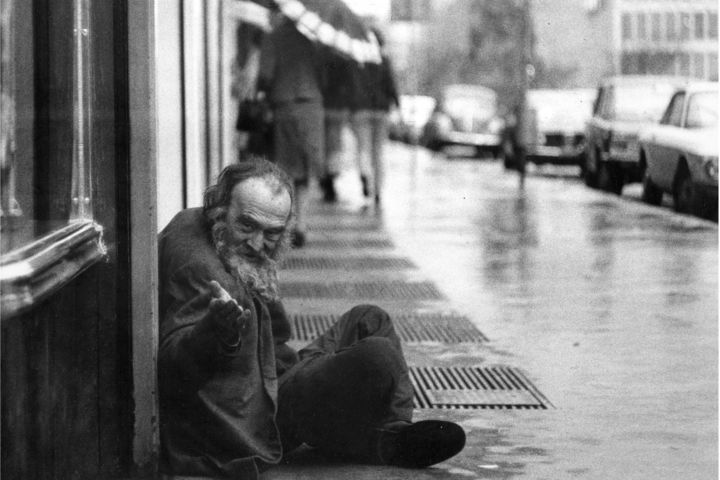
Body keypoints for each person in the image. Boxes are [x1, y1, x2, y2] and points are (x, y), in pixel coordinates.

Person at [158, 158, 466, 479]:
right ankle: (386, 439)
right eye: (246, 225)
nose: (256, 243)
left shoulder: (201, 224)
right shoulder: (204, 274)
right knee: (378, 356)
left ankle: (393, 430)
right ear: (219, 209)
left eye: (272, 233)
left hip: (272, 374)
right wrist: (215, 332)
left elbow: (276, 334)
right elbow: (171, 366)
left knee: (370, 318)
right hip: (260, 415)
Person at [258, 12, 324, 247]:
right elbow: (325, 74)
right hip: (312, 107)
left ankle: (284, 223)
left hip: (284, 106)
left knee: (284, 168)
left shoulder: (273, 38)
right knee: (304, 167)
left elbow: (265, 75)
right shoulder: (312, 40)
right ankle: (302, 225)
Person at [350, 28, 399, 206]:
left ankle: (365, 174)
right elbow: (391, 85)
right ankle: (377, 190)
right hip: (381, 110)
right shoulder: (383, 61)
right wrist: (397, 105)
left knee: (363, 148)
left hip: (361, 109)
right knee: (378, 151)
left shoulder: (357, 62)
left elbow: (352, 87)